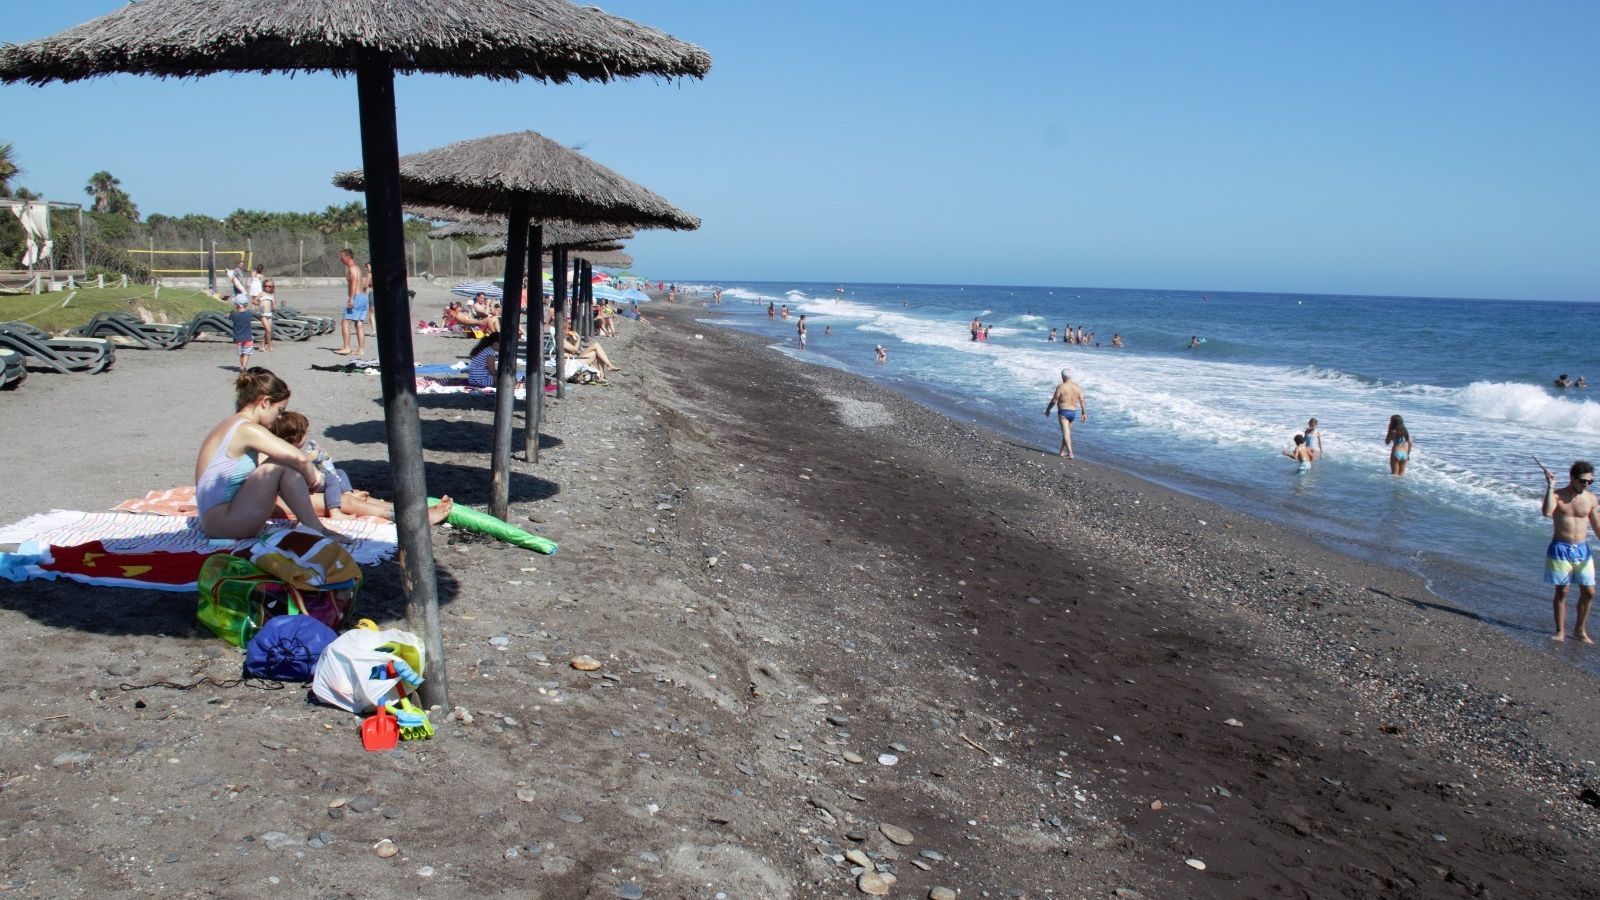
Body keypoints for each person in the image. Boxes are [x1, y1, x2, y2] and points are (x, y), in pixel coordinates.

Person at [194, 368, 348, 543]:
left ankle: (313, 525)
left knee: (279, 463)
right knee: (281, 464)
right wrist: (315, 481)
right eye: (280, 410)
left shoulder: (230, 423)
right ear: (266, 402)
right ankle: (316, 529)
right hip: (225, 525)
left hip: (214, 520)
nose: (279, 417)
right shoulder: (247, 429)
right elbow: (300, 459)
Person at [269, 410, 454, 525]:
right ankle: (412, 518)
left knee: (355, 494)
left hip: (291, 490)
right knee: (346, 501)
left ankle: (414, 509)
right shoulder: (278, 452)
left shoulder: (271, 445)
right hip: (281, 497)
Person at [1540, 459, 1599, 642]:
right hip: (1560, 548)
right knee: (1563, 591)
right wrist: (1550, 486)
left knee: (1589, 592)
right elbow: (1547, 512)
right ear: (1572, 478)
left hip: (1582, 550)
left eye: (1590, 482)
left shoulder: (1590, 498)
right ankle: (1560, 631)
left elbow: (1597, 526)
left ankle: (1579, 631)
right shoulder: (1557, 495)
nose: (1586, 484)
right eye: (1582, 481)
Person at [1045, 369, 1087, 459]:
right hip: (1073, 412)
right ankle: (1061, 452)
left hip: (1063, 412)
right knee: (1067, 433)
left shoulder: (1061, 387)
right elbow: (1082, 401)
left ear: (1062, 376)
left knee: (1066, 433)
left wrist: (1048, 409)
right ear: (1071, 376)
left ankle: (1070, 453)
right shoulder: (1077, 387)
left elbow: (1054, 400)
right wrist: (1084, 413)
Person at [335, 248, 367, 356]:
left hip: (356, 297)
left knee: (345, 321)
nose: (341, 260)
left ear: (348, 257)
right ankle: (361, 349)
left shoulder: (352, 269)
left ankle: (346, 347)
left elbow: (354, 284)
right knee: (359, 324)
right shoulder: (357, 268)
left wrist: (351, 299)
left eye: (342, 257)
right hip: (363, 297)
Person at [230, 296, 256, 371]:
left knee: (241, 354)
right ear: (246, 304)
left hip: (238, 338)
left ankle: (241, 365)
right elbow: (252, 312)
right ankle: (243, 366)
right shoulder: (249, 313)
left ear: (236, 305)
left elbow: (229, 317)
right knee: (246, 353)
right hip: (248, 337)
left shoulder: (234, 314)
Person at [257, 277, 276, 351]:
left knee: (267, 331)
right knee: (268, 330)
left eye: (269, 286)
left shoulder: (272, 295)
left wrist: (275, 307)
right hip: (262, 314)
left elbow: (273, 305)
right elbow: (253, 301)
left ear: (272, 287)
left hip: (269, 314)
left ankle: (261, 346)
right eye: (265, 286)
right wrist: (260, 303)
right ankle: (270, 346)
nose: (267, 287)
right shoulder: (261, 294)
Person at [363, 262, 376, 335]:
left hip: (373, 294)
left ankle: (374, 330)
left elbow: (366, 285)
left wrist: (362, 291)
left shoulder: (370, 274)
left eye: (367, 267)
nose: (367, 269)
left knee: (371, 313)